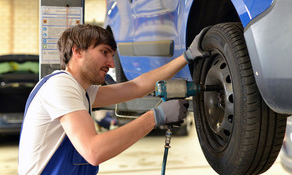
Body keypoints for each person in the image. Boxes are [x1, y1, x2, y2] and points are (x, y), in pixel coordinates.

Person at [18, 24, 210, 175]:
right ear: (77, 52)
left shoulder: (81, 91)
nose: (110, 64)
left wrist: (186, 57)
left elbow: (136, 87)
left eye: (112, 56)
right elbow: (93, 151)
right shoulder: (60, 86)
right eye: (104, 52)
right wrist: (155, 117)